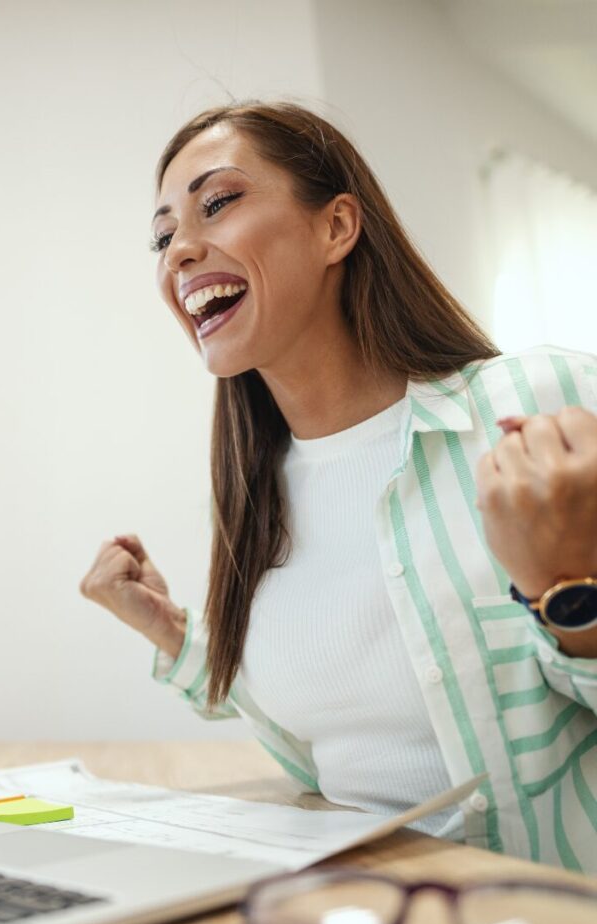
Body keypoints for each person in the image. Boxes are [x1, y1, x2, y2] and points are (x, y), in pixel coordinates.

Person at [80, 102, 597, 871]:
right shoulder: (255, 504)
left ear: (337, 227)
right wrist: (176, 638)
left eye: (216, 204)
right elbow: (334, 735)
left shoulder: (539, 401)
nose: (179, 252)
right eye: (161, 237)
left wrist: (568, 588)